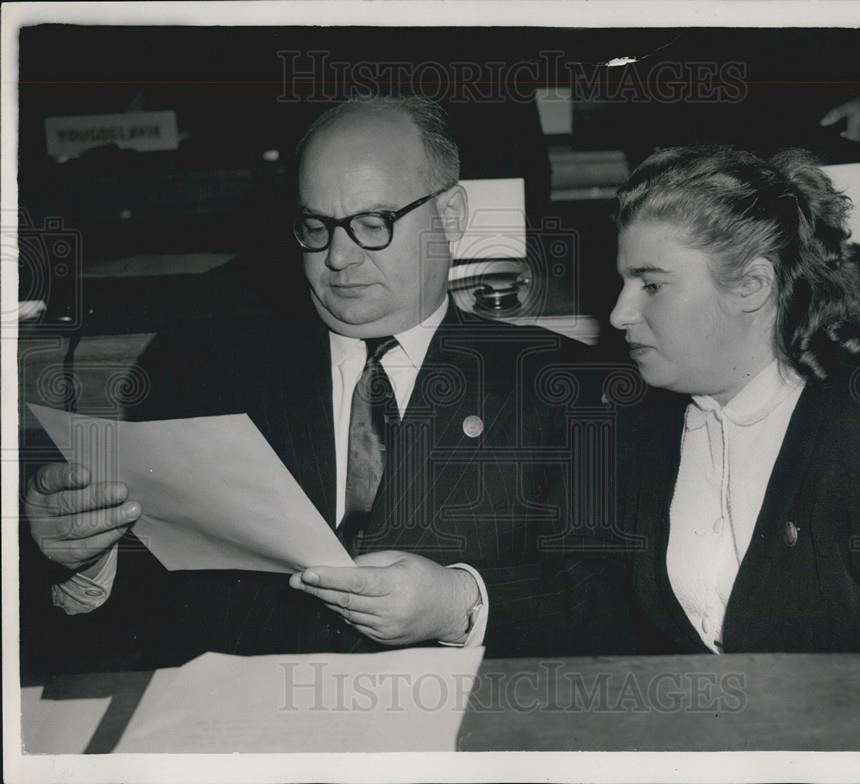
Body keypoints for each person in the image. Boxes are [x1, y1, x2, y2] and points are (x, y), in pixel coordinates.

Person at [21, 95, 639, 672]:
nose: (339, 258)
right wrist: (86, 562)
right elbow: (146, 624)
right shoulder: (202, 369)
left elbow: (617, 604)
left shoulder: (564, 384)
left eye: (373, 222)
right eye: (316, 226)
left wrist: (462, 606)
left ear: (450, 215)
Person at [609, 145, 860, 653]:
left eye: (650, 285)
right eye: (624, 282)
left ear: (753, 285)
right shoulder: (645, 422)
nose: (619, 314)